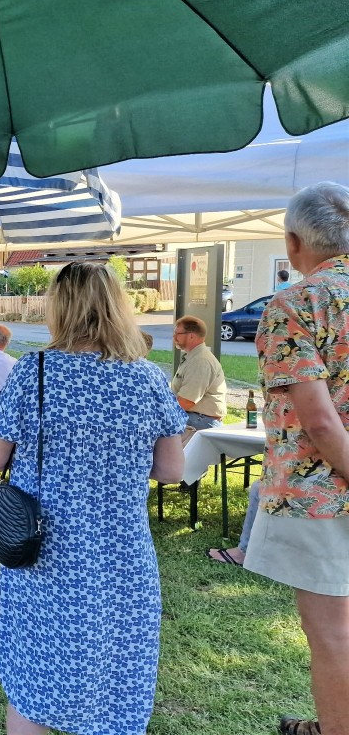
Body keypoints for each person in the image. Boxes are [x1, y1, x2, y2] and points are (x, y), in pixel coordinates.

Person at [0, 261, 185, 735]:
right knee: (116, 683)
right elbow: (172, 470)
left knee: (33, 680)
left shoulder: (33, 372)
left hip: (45, 553)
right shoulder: (148, 379)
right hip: (121, 557)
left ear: (60, 309)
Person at [244, 182, 349, 735]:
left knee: (332, 632)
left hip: (324, 494)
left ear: (292, 241)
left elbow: (321, 421)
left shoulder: (297, 302)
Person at [170, 315, 227, 444]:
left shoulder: (200, 361)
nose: (174, 337)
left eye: (177, 334)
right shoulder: (193, 357)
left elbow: (186, 402)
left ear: (191, 336)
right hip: (194, 418)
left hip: (202, 422)